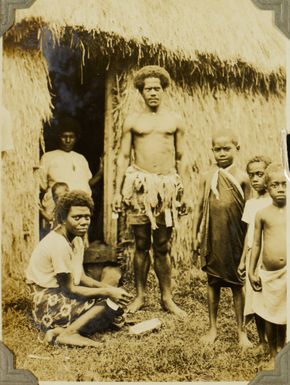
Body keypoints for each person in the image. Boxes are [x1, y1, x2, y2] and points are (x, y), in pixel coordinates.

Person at [112, 65, 188, 317]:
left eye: (157, 88)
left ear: (163, 90)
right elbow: (122, 156)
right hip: (140, 186)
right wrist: (116, 191)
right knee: (141, 242)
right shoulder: (133, 120)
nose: (153, 93)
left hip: (166, 186)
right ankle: (141, 296)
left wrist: (182, 189)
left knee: (163, 245)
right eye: (148, 89)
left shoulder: (175, 119)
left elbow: (181, 156)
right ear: (141, 92)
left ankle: (167, 297)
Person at [26, 190, 132, 347]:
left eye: (87, 217)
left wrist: (111, 289)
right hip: (47, 302)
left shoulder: (77, 240)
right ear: (62, 218)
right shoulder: (58, 244)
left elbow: (81, 278)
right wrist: (108, 292)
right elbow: (69, 289)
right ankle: (69, 334)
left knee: (112, 305)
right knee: (107, 305)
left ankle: (57, 331)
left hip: (61, 295)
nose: (84, 222)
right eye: (77, 217)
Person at [193, 128, 252, 348]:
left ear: (237, 149)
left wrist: (249, 243)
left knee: (237, 283)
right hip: (213, 237)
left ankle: (241, 331)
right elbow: (199, 208)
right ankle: (212, 328)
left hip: (235, 236)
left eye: (226, 149)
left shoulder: (243, 178)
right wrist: (194, 237)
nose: (221, 153)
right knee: (213, 281)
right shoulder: (206, 176)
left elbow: (249, 212)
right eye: (216, 149)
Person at [249, 163, 287, 368]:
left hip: (288, 273)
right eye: (275, 185)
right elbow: (255, 244)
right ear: (267, 187)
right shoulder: (262, 214)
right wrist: (251, 271)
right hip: (270, 273)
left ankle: (283, 351)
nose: (280, 189)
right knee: (271, 315)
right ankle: (273, 353)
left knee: (285, 315)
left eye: (285, 184)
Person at [39, 116, 103, 228]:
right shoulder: (48, 157)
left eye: (71, 137)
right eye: (64, 136)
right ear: (59, 137)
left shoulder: (80, 158)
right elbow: (41, 185)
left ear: (76, 138)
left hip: (79, 211)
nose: (68, 140)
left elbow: (87, 183)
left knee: (77, 242)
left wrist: (101, 173)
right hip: (56, 210)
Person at [238, 156, 272, 352]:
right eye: (252, 175)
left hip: (269, 255)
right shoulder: (251, 204)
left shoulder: (275, 202)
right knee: (255, 298)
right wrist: (243, 261)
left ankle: (276, 340)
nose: (255, 179)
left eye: (260, 174)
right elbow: (248, 236)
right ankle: (262, 341)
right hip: (253, 258)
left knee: (271, 297)